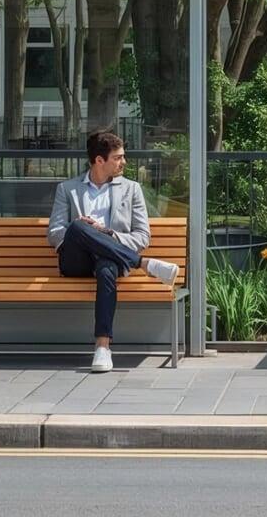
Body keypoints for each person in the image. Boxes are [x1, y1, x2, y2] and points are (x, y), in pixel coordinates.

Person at [48, 131, 181, 373]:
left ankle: (102, 347)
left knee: (107, 268)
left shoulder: (131, 190)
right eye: (118, 158)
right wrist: (84, 232)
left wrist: (106, 234)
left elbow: (143, 235)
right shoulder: (68, 189)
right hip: (76, 261)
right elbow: (56, 232)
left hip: (110, 260)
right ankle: (144, 264)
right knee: (78, 226)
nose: (124, 162)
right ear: (100, 160)